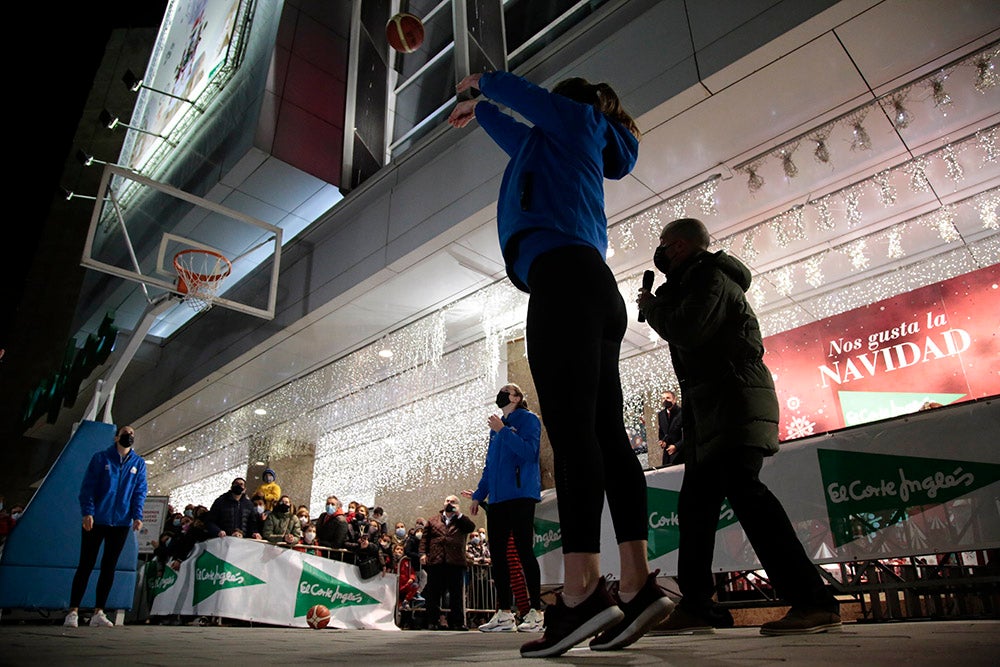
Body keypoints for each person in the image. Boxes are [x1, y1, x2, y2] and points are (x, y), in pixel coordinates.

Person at [448, 70, 670, 657]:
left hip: (564, 283)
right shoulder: (556, 142)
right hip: (590, 285)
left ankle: (580, 592)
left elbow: (531, 107)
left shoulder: (577, 119)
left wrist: (487, 82)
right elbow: (517, 133)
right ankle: (639, 581)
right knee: (606, 437)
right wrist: (480, 111)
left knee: (574, 440)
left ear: (565, 104)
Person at [637, 217, 841, 636]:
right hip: (712, 411)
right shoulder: (693, 282)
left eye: (664, 244)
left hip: (733, 404)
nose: (659, 252)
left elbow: (689, 330)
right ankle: (697, 604)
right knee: (695, 509)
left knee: (748, 496)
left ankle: (813, 600)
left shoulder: (711, 277)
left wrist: (651, 305)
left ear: (678, 246)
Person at [463, 383, 544, 634]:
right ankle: (505, 613)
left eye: (506, 390)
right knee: (497, 556)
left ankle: (535, 611)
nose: (501, 394)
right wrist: (479, 494)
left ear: (517, 397)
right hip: (498, 499)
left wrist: (505, 430)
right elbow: (491, 466)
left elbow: (530, 453)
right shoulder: (496, 429)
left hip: (520, 495)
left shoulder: (528, 420)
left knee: (523, 551)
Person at [65, 425, 148, 628]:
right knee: (86, 564)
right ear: (116, 437)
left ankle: (98, 612)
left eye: (132, 435)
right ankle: (73, 611)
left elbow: (139, 491)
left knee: (109, 567)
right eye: (126, 433)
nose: (129, 437)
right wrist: (88, 512)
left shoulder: (138, 463)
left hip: (120, 523)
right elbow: (88, 488)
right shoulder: (101, 458)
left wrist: (137, 516)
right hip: (97, 520)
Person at [419, 495, 476, 631]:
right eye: (447, 501)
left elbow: (470, 528)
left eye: (453, 502)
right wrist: (422, 554)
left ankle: (457, 622)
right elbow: (425, 539)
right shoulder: (433, 520)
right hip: (436, 561)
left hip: (455, 561)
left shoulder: (462, 520)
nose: (449, 504)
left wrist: (458, 514)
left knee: (456, 594)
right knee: (433, 594)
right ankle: (432, 621)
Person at [657, 391, 684, 467]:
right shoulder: (661, 414)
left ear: (674, 399)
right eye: (663, 398)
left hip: (681, 452)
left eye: (668, 398)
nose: (665, 400)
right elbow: (661, 432)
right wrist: (662, 441)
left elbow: (687, 434)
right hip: (667, 454)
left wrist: (676, 446)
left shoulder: (682, 412)